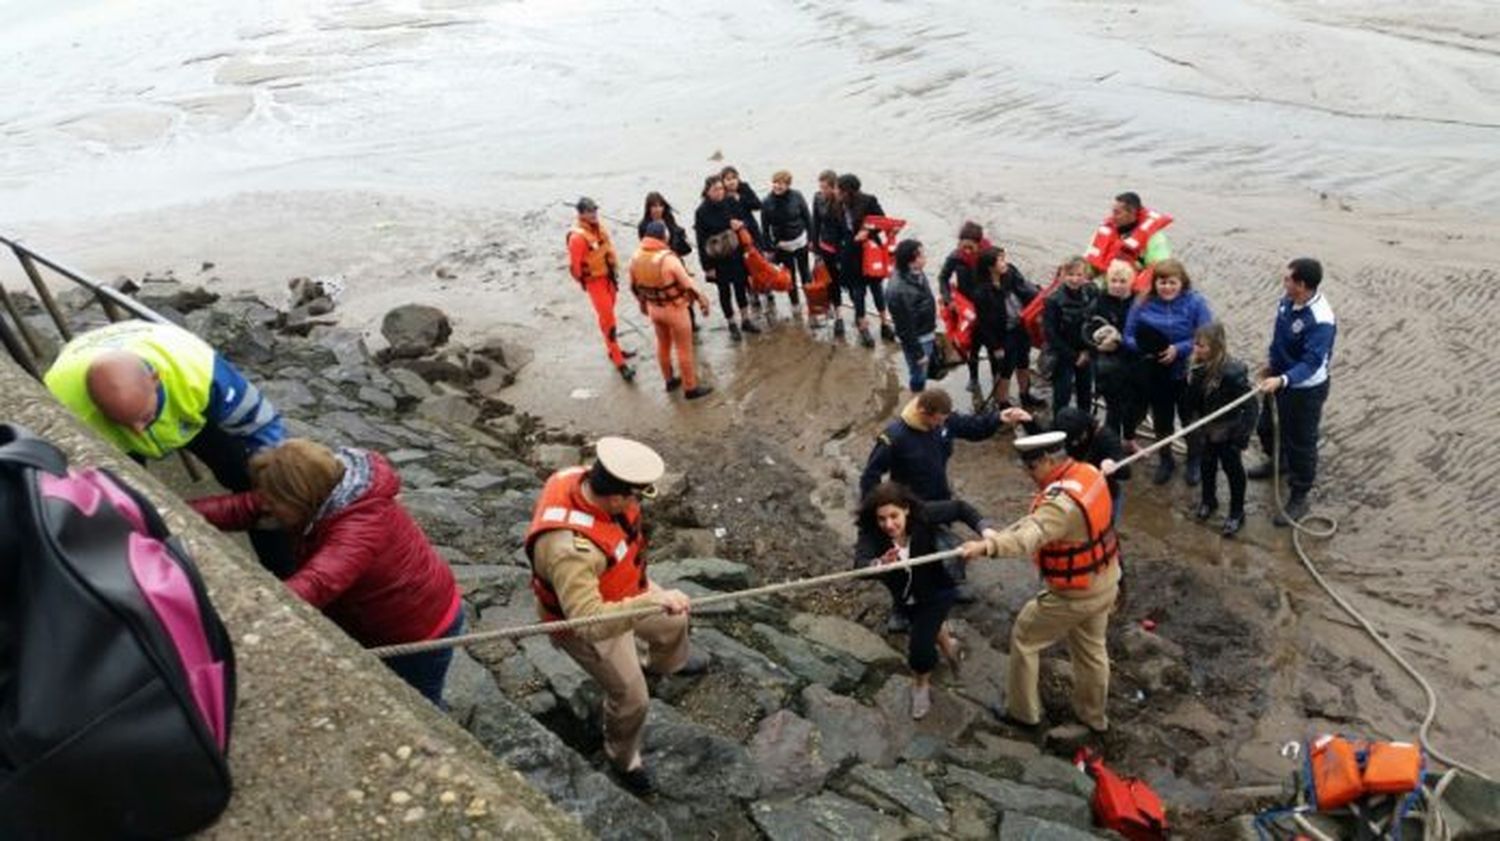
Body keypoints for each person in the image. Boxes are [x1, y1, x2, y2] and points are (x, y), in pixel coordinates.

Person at [189, 439, 464, 705]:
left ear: (303, 498)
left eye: (275, 500)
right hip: (376, 613)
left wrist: (242, 614)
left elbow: (318, 582)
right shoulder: (322, 492)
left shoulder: (360, 528)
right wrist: (168, 511)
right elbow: (247, 507)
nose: (267, 505)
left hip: (422, 627)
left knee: (418, 701)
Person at [44, 318, 294, 576]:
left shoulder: (199, 370)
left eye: (143, 418)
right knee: (125, 507)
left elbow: (260, 424)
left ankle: (283, 571)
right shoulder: (61, 399)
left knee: (255, 481)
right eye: (125, 422)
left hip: (184, 405)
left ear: (155, 379)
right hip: (111, 438)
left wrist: (276, 479)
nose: (138, 432)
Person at [525, 437, 704, 795]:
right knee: (632, 697)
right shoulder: (570, 550)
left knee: (673, 622)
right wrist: (649, 603)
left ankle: (665, 663)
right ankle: (622, 757)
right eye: (637, 496)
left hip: (623, 588)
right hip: (591, 624)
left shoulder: (578, 477)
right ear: (618, 498)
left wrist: (651, 600)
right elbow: (587, 623)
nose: (638, 503)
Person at [959, 431, 1121, 734]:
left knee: (1024, 636)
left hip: (1075, 593)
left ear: (1048, 460)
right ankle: (1093, 716)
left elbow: (1029, 536)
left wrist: (985, 547)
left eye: (1032, 467)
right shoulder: (1088, 472)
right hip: (1106, 579)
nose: (1029, 474)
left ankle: (1023, 712)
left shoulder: (1060, 506)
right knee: (1092, 650)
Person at [860, 388, 1000, 629]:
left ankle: (948, 584)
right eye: (938, 419)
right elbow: (870, 476)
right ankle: (901, 607)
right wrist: (877, 512)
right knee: (907, 562)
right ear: (924, 412)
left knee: (947, 549)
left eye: (945, 420)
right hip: (909, 509)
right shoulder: (894, 437)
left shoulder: (943, 423)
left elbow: (974, 428)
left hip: (939, 499)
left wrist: (999, 418)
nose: (942, 425)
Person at [856, 482, 989, 719]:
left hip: (938, 588)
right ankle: (950, 646)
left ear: (906, 509)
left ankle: (920, 684)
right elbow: (860, 565)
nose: (888, 525)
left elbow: (960, 508)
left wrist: (986, 533)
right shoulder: (871, 532)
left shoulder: (924, 515)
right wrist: (880, 564)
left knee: (919, 647)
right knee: (927, 625)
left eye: (894, 516)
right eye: (881, 519)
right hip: (904, 596)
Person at [1251, 257, 1336, 526]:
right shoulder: (1286, 301)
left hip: (1305, 390)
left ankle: (1299, 494)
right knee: (1266, 427)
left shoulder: (1321, 319)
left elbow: (1311, 362)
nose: (1283, 282)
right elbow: (1279, 338)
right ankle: (1278, 460)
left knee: (1302, 442)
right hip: (1280, 379)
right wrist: (1271, 365)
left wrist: (1284, 379)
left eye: (1288, 278)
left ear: (1301, 284)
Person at [1123, 258, 1213, 485]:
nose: (1167, 287)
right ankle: (1166, 459)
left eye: (1172, 282)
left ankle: (1194, 460)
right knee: (1162, 419)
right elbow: (1128, 336)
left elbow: (1207, 336)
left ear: (1182, 282)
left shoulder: (1196, 303)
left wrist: (1178, 349)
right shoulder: (1142, 301)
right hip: (1155, 371)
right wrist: (1149, 349)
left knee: (1190, 418)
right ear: (1155, 283)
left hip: (1186, 371)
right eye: (1162, 282)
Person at [1183, 322, 1258, 536]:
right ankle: (1209, 500)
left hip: (1228, 431)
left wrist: (1241, 437)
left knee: (1233, 470)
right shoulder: (1195, 369)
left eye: (1202, 346)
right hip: (1206, 428)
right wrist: (1192, 420)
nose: (1196, 349)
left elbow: (1251, 406)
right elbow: (1192, 399)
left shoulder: (1232, 373)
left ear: (1216, 347)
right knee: (1207, 466)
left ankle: (1237, 512)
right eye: (1195, 344)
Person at [628, 221, 714, 400]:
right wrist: (703, 301)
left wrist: (642, 305)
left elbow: (634, 287)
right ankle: (690, 388)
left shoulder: (635, 258)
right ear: (663, 237)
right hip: (675, 309)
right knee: (684, 348)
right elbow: (688, 284)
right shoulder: (669, 260)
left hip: (654, 309)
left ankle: (669, 380)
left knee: (663, 344)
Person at [1005, 406, 1133, 526]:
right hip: (1077, 489)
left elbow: (1126, 472)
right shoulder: (1062, 426)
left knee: (1103, 529)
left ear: (1084, 433)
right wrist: (1029, 421)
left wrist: (1112, 465)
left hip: (1105, 493)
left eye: (1074, 441)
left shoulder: (1106, 438)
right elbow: (1044, 437)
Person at [566, 197, 636, 381]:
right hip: (595, 283)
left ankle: (612, 350)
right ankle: (620, 362)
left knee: (607, 318)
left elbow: (606, 251)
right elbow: (575, 269)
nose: (593, 214)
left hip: (609, 279)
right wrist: (586, 282)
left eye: (595, 210)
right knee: (609, 321)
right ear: (580, 214)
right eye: (589, 211)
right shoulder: (577, 238)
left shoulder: (599, 229)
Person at [971, 247, 1044, 409]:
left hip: (1020, 326)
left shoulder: (1010, 274)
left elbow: (1026, 289)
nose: (1005, 263)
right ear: (990, 266)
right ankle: (1002, 402)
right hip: (1002, 334)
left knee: (1023, 362)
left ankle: (1025, 394)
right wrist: (995, 346)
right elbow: (984, 324)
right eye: (1001, 260)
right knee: (1005, 369)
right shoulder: (982, 293)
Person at [694, 175, 764, 341]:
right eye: (715, 189)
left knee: (741, 286)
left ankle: (746, 320)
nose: (719, 192)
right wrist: (707, 267)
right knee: (724, 291)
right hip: (717, 257)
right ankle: (732, 323)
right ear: (707, 191)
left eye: (721, 189)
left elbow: (744, 220)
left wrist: (740, 224)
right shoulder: (701, 211)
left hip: (736, 253)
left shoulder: (730, 202)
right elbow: (701, 240)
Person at [1086, 260, 1147, 447]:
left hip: (1135, 361)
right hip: (1109, 364)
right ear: (1107, 281)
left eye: (1122, 281)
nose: (1118, 285)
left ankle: (1129, 438)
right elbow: (1086, 330)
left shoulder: (1141, 302)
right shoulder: (1098, 302)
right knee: (1114, 408)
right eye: (1114, 281)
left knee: (1137, 408)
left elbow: (1148, 331)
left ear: (1131, 281)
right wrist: (1098, 345)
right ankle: (1112, 447)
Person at [835, 173, 894, 348]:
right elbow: (839, 231)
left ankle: (885, 324)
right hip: (850, 254)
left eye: (839, 188)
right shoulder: (838, 205)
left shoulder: (868, 201)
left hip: (870, 252)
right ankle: (863, 327)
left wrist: (868, 233)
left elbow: (883, 222)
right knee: (858, 292)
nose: (837, 191)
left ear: (848, 190)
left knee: (877, 289)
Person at [637, 192, 698, 335]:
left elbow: (678, 240)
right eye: (654, 207)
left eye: (660, 206)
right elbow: (644, 249)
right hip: (659, 266)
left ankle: (691, 322)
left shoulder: (669, 220)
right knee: (668, 296)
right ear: (648, 209)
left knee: (685, 291)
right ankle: (671, 323)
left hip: (675, 261)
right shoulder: (644, 226)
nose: (658, 209)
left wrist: (679, 234)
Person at [1043, 256, 1098, 414]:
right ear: (1062, 275)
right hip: (1063, 354)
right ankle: (1060, 425)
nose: (1074, 279)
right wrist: (1074, 356)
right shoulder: (1053, 300)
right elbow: (1050, 334)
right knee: (1062, 394)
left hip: (1086, 350)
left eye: (1079, 275)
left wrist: (1088, 351)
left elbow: (1097, 323)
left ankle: (1085, 425)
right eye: (1070, 275)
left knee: (1085, 392)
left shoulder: (1092, 292)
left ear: (1085, 275)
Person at [886, 239, 939, 392]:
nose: (925, 258)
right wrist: (919, 354)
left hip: (926, 330)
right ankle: (916, 396)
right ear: (912, 261)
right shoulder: (898, 291)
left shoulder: (917, 272)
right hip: (918, 339)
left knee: (923, 369)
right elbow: (904, 328)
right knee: (919, 373)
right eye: (922, 255)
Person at [760, 170, 814, 315]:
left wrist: (811, 239)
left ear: (788, 185)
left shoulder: (797, 196)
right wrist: (768, 248)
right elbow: (764, 228)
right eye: (776, 183)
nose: (778, 186)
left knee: (805, 273)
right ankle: (795, 305)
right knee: (790, 277)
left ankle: (811, 302)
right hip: (783, 246)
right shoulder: (766, 202)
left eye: (782, 184)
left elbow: (808, 218)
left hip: (801, 241)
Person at [1084, 191, 1173, 275]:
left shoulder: (1155, 237)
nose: (1112, 216)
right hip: (1106, 283)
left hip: (1132, 285)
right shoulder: (1105, 231)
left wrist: (1138, 267)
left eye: (1117, 213)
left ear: (1132, 213)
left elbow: (1161, 268)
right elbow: (1089, 260)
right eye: (1113, 212)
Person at [809, 170, 848, 336]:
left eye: (826, 188)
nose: (823, 191)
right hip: (824, 246)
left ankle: (839, 314)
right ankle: (835, 312)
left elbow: (845, 230)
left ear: (834, 187)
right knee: (827, 281)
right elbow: (815, 223)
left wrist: (842, 253)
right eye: (821, 187)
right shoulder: (818, 198)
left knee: (839, 281)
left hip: (838, 249)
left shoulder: (841, 203)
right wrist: (814, 245)